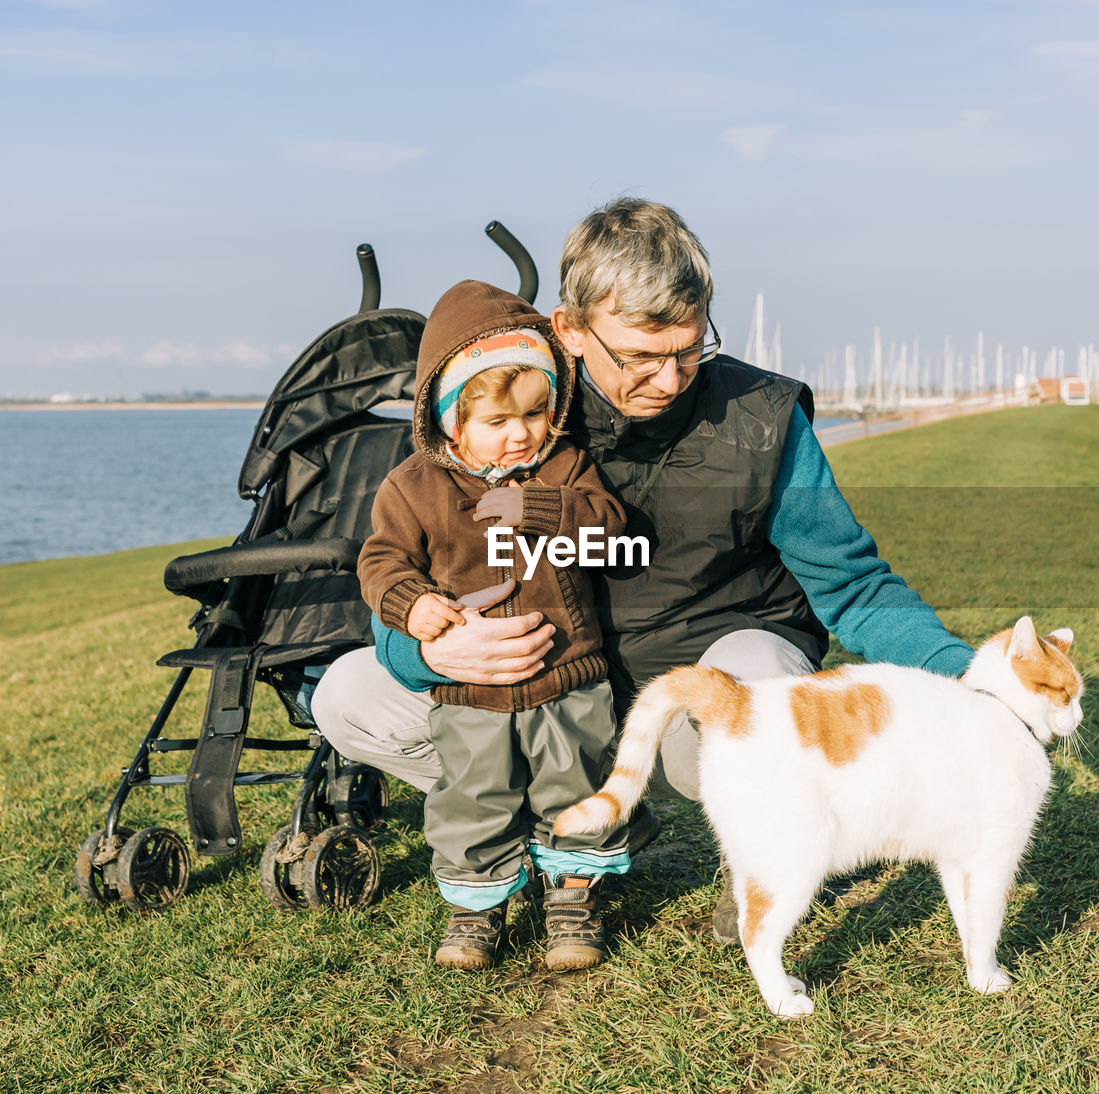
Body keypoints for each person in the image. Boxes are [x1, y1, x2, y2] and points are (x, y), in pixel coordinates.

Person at [314, 198, 974, 949]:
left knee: (758, 673)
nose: (670, 379)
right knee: (350, 693)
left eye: (690, 349)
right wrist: (429, 650)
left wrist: (971, 676)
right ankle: (546, 826)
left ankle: (758, 849)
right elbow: (407, 570)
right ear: (569, 330)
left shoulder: (761, 416)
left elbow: (853, 586)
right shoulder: (503, 409)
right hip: (550, 695)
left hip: (697, 693)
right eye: (640, 357)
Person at [355, 278, 631, 972]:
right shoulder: (414, 488)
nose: (521, 433)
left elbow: (613, 532)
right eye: (499, 421)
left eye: (536, 414)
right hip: (469, 693)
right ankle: (477, 905)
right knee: (472, 794)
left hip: (566, 674)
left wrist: (540, 509)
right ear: (451, 419)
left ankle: (573, 896)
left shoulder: (565, 469)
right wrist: (412, 606)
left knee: (575, 783)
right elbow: (381, 561)